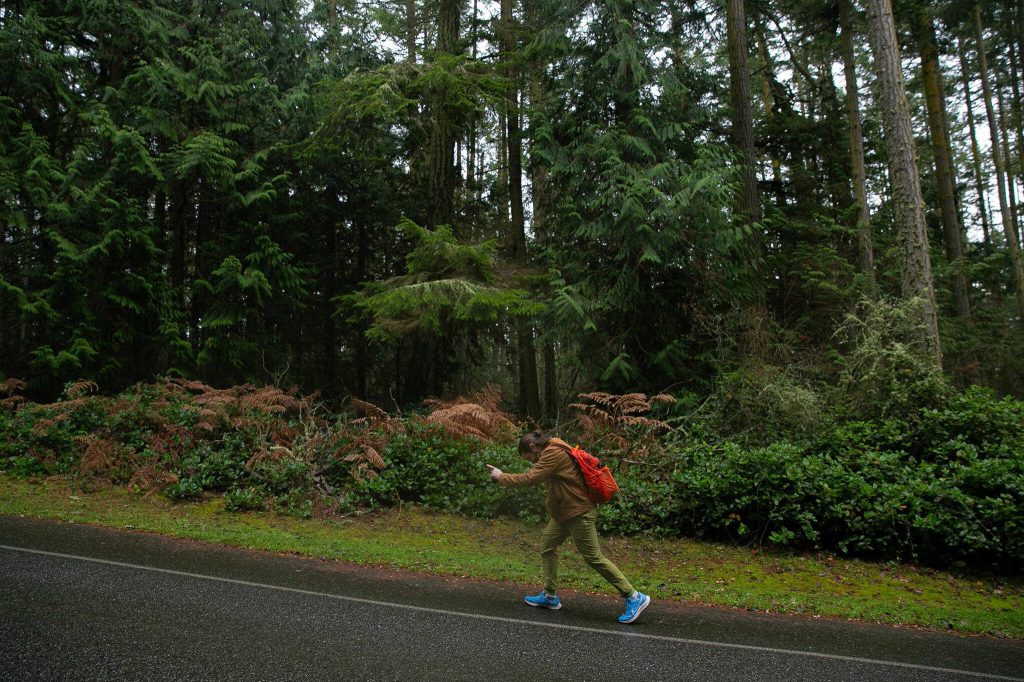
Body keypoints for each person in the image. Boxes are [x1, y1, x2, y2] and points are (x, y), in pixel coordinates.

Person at [486, 430, 651, 624]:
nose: (530, 461)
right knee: (547, 545)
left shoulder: (552, 453)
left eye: (528, 457)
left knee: (593, 557)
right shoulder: (553, 444)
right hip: (563, 513)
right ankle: (550, 596)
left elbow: (531, 478)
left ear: (532, 447)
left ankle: (633, 596)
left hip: (579, 513)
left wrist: (501, 476)